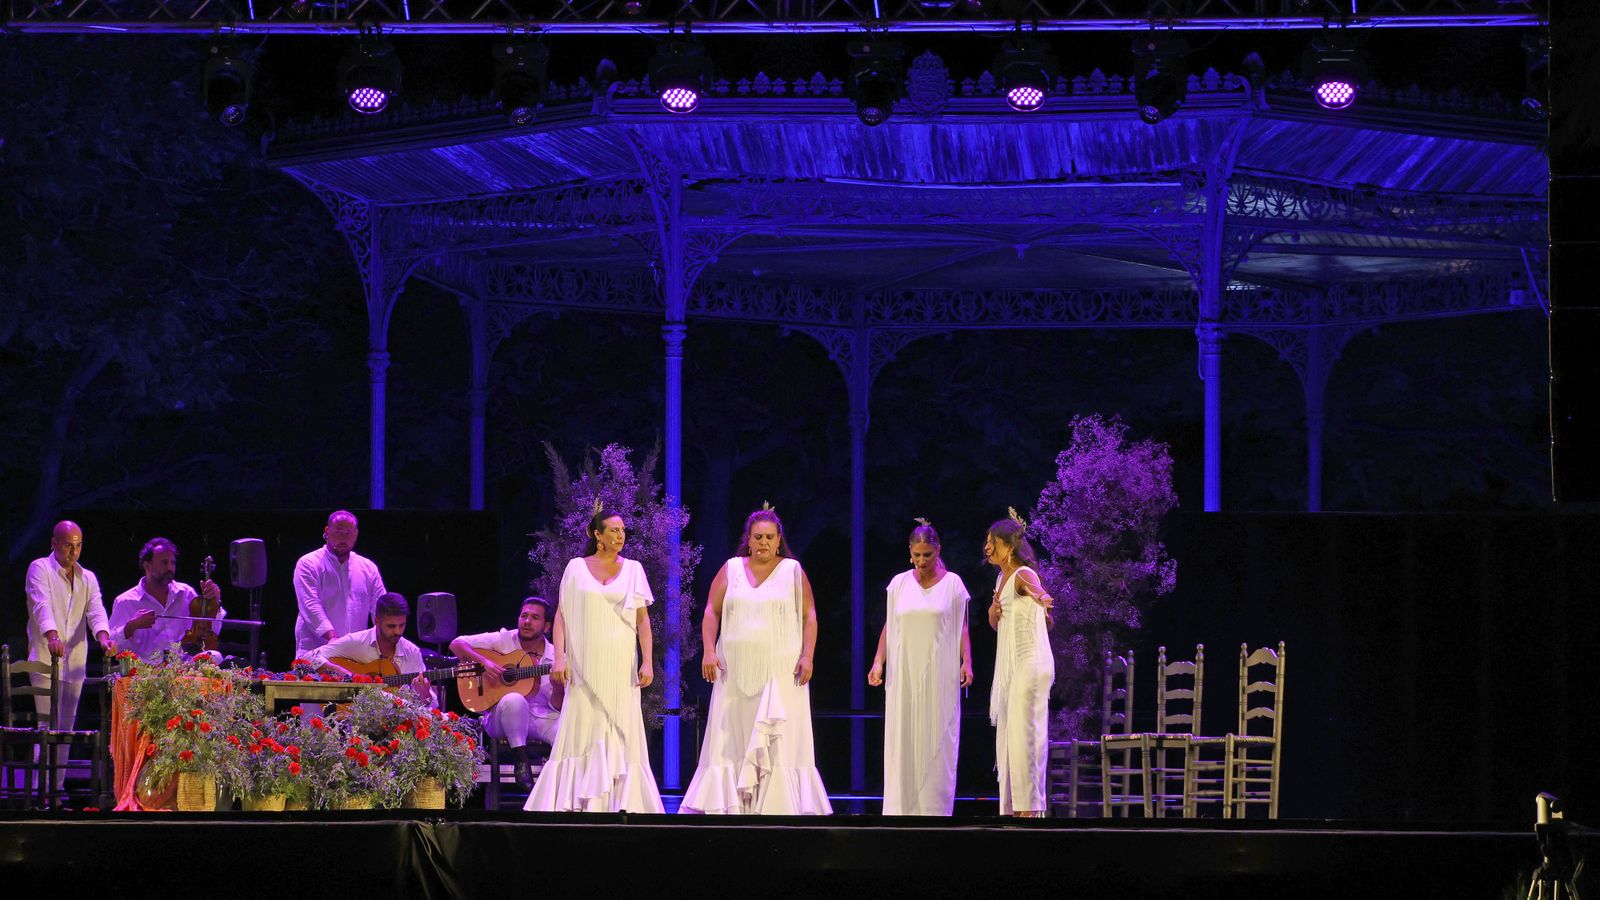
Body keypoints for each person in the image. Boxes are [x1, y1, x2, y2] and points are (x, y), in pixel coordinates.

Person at [680, 507, 831, 815]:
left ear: (779, 541)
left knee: (778, 737)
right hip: (734, 673)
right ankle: (729, 804)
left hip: (780, 672)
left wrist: (807, 655)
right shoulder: (732, 568)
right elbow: (711, 611)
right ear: (748, 539)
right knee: (732, 735)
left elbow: (810, 616)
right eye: (758, 537)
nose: (764, 543)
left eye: (770, 537)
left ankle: (778, 804)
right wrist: (709, 650)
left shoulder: (792, 571)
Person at [525, 509, 664, 813]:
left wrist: (647, 661)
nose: (620, 535)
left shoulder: (634, 570)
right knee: (583, 726)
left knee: (620, 727)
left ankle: (621, 801)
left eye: (623, 530)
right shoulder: (575, 568)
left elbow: (643, 621)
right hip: (584, 664)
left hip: (619, 665)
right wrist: (559, 657)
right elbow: (561, 616)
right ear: (597, 535)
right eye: (613, 530)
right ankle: (574, 800)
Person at [868, 519, 973, 816]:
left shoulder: (952, 583)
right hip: (904, 674)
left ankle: (934, 811)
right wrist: (879, 661)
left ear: (938, 550)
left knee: (938, 737)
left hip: (939, 672)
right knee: (904, 738)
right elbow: (891, 623)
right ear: (910, 552)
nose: (922, 561)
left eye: (928, 554)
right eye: (917, 555)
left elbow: (962, 627)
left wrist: (967, 661)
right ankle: (901, 812)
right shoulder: (899, 583)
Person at [23, 520, 115, 796]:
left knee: (65, 727)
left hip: (74, 662)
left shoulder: (88, 577)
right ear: (54, 543)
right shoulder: (40, 568)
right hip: (44, 658)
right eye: (68, 545)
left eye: (78, 545)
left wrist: (103, 636)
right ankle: (41, 790)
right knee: (46, 725)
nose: (74, 551)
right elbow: (41, 605)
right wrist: (52, 636)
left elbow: (96, 609)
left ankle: (56, 790)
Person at [451, 597, 564, 789]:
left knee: (568, 734)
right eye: (524, 616)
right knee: (514, 699)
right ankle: (521, 762)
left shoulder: (555, 658)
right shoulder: (503, 640)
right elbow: (456, 644)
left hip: (540, 717)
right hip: (501, 717)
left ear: (547, 627)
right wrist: (484, 663)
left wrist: (559, 686)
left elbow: (556, 707)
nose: (527, 621)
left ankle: (555, 793)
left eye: (534, 617)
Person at [984, 512, 1055, 818]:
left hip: (1030, 664)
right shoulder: (1002, 578)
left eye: (992, 542)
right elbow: (1003, 623)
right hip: (1018, 667)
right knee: (1013, 735)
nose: (987, 547)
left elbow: (1037, 593)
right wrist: (992, 612)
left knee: (1025, 734)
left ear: (1008, 547)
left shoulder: (1024, 574)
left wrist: (1043, 598)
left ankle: (1030, 809)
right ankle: (1015, 809)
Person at [305, 592, 433, 706]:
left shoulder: (412, 652)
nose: (398, 631)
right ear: (376, 621)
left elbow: (430, 705)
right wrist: (342, 672)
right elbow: (308, 657)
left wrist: (425, 695)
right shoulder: (357, 642)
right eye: (391, 626)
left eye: (402, 625)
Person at [108, 538, 225, 662]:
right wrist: (130, 627)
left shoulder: (186, 593)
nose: (170, 568)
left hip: (184, 671)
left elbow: (210, 633)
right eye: (164, 562)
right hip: (145, 674)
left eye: (172, 563)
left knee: (215, 656)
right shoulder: (126, 601)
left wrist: (214, 603)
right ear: (147, 566)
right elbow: (110, 648)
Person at [293, 510, 387, 653]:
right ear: (327, 531)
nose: (343, 538)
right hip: (315, 650)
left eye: (348, 533)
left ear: (356, 534)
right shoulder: (309, 563)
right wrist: (332, 637)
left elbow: (380, 608)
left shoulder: (368, 567)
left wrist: (385, 637)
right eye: (339, 532)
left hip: (355, 653)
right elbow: (310, 604)